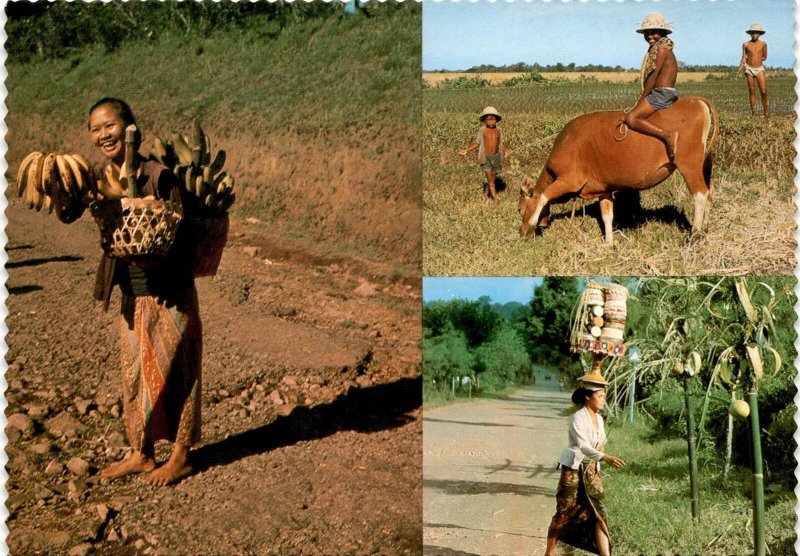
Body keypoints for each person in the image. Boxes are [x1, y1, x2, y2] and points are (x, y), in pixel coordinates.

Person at [89, 97, 202, 486]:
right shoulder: (103, 177)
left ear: (129, 128)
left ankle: (181, 456)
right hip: (131, 293)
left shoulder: (159, 175)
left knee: (178, 370)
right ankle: (141, 452)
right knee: (134, 373)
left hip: (169, 290)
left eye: (110, 126)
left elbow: (181, 230)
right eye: (96, 128)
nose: (104, 134)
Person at [545, 377, 626, 556]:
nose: (604, 399)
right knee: (563, 513)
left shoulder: (599, 418)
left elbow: (600, 442)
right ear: (588, 397)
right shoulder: (578, 418)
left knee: (599, 512)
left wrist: (601, 450)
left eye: (605, 396)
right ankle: (549, 554)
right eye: (600, 395)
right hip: (573, 469)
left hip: (591, 471)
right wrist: (605, 457)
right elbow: (583, 446)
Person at [623, 13, 679, 161]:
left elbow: (653, 78)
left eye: (653, 32)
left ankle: (667, 135)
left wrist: (639, 101)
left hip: (661, 93)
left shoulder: (661, 50)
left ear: (662, 33)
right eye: (647, 33)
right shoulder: (661, 48)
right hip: (662, 92)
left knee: (631, 118)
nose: (649, 36)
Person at [459, 106, 511, 204]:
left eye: (493, 119)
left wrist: (506, 150)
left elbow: (500, 143)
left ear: (496, 120)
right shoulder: (482, 130)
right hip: (485, 157)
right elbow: (477, 143)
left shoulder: (499, 130)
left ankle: (485, 194)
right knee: (490, 180)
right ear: (484, 120)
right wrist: (466, 150)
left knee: (492, 178)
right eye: (488, 119)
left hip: (496, 157)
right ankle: (496, 200)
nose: (491, 122)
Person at [737, 23, 769, 119]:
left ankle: (766, 112)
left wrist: (757, 60)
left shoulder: (763, 44)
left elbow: (764, 57)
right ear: (750, 33)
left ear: (759, 34)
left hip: (759, 68)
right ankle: (754, 114)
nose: (755, 34)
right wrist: (739, 70)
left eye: (757, 33)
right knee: (752, 91)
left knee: (763, 91)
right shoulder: (746, 44)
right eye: (753, 33)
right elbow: (743, 58)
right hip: (749, 69)